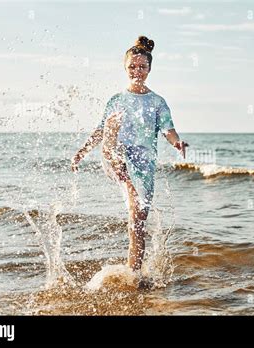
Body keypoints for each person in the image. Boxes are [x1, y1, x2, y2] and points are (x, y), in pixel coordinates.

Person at [71, 35, 188, 272]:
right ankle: (113, 142)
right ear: (125, 68)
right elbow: (99, 129)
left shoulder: (157, 102)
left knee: (138, 221)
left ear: (149, 69)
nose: (137, 71)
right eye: (132, 67)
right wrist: (82, 151)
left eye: (142, 67)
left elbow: (168, 129)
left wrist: (177, 143)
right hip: (117, 157)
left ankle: (134, 272)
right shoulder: (117, 99)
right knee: (113, 124)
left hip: (143, 166)